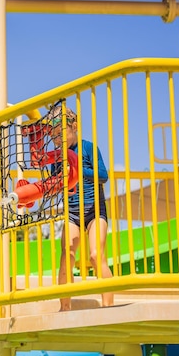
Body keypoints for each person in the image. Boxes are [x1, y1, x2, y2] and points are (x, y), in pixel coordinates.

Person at [47, 105, 114, 311]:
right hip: (72, 213)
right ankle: (64, 308)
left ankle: (108, 307)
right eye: (55, 137)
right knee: (67, 254)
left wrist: (77, 169)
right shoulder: (57, 158)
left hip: (95, 210)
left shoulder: (88, 148)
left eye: (61, 134)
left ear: (74, 126)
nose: (59, 140)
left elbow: (103, 175)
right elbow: (54, 187)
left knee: (96, 255)